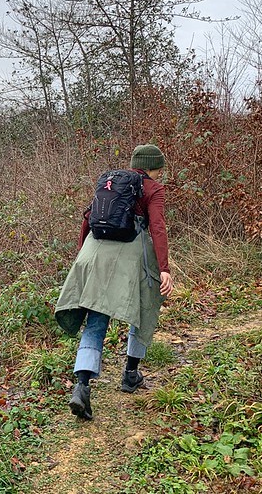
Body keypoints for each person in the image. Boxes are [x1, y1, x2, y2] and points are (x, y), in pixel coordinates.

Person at [54, 144, 174, 420]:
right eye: (160, 168)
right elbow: (157, 227)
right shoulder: (152, 189)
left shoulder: (110, 181)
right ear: (154, 167)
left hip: (93, 253)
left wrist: (83, 255)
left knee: (96, 320)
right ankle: (130, 374)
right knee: (143, 310)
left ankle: (81, 386)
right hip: (129, 259)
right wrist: (164, 268)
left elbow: (88, 219)